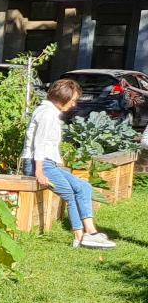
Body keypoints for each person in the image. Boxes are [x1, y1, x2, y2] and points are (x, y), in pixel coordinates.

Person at [25, 77, 114, 248]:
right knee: (71, 195)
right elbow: (39, 144)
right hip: (40, 164)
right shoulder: (46, 114)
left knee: (84, 187)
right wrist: (39, 172)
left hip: (48, 164)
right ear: (63, 97)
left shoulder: (50, 112)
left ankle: (89, 233)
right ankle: (81, 236)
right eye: (73, 100)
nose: (74, 104)